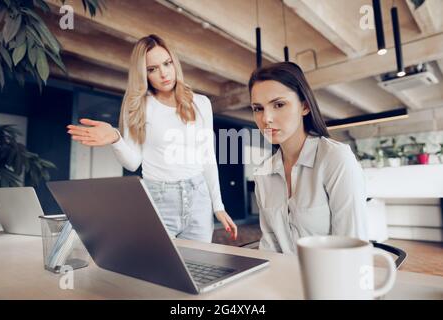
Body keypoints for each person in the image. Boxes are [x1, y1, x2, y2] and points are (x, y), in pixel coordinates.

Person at [67, 34, 237, 243]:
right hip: (158, 198)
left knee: (201, 267)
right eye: (152, 69)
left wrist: (217, 206)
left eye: (167, 64)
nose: (164, 73)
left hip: (198, 198)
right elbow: (133, 163)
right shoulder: (137, 105)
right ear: (143, 74)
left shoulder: (201, 103)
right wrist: (115, 138)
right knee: (159, 269)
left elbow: (208, 157)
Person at [249, 62, 368, 254]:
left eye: (278, 105)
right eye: (258, 108)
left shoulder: (335, 158)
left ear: (304, 106)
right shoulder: (263, 173)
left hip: (331, 278)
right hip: (282, 278)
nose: (266, 118)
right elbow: (269, 245)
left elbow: (351, 245)